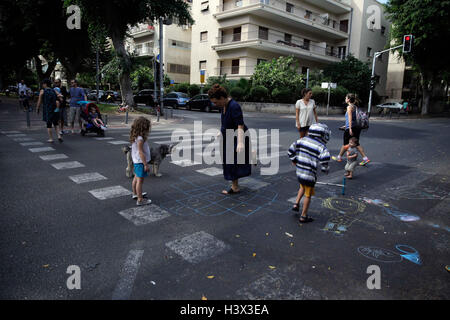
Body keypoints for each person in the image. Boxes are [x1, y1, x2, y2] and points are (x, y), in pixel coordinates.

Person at [208, 84, 252, 195]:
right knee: (229, 162)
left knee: (234, 162)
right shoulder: (224, 106)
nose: (215, 104)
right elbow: (224, 122)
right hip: (228, 136)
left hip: (238, 136)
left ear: (222, 98)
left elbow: (240, 125)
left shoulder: (234, 106)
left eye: (215, 102)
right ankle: (235, 186)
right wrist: (220, 131)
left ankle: (235, 187)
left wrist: (240, 142)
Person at [288, 123, 331, 223]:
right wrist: (325, 169)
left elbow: (290, 150)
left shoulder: (302, 140)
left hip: (300, 172)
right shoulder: (321, 147)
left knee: (302, 187)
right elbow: (325, 159)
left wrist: (294, 160)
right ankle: (303, 216)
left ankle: (296, 204)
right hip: (309, 175)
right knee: (308, 195)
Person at [332, 93, 370, 166]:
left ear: (348, 99)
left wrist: (349, 129)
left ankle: (339, 157)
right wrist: (345, 126)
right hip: (356, 127)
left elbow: (350, 118)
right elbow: (354, 119)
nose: (345, 99)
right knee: (356, 144)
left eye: (346, 98)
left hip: (351, 128)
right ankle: (365, 158)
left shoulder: (349, 107)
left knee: (345, 143)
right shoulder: (355, 107)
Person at [130, 117, 152, 206]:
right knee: (140, 180)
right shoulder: (140, 139)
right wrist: (145, 164)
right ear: (143, 127)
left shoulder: (136, 136)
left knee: (136, 178)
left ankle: (135, 193)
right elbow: (141, 152)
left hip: (136, 161)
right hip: (140, 162)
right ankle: (140, 199)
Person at [36, 79, 63, 143]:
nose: (42, 85)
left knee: (49, 124)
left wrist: (37, 108)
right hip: (55, 109)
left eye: (43, 84)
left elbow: (39, 101)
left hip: (47, 109)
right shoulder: (54, 90)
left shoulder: (42, 91)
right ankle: (59, 136)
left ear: (45, 84)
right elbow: (60, 96)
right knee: (55, 123)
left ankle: (51, 138)